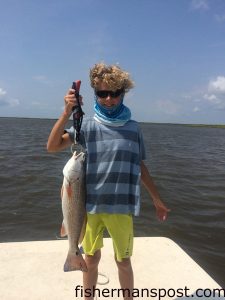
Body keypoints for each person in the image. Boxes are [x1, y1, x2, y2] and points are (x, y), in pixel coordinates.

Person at [47, 63, 170, 300]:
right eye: (103, 93)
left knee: (123, 261)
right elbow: (52, 147)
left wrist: (157, 199)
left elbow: (140, 167)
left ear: (123, 94)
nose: (109, 99)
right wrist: (66, 112)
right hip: (89, 208)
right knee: (90, 260)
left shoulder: (134, 129)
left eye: (114, 93)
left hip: (121, 208)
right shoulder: (85, 126)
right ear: (95, 94)